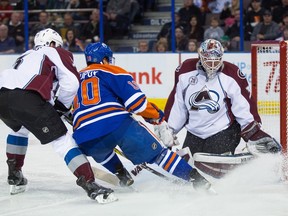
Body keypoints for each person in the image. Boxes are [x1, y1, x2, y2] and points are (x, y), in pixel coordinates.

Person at [71, 42, 213, 192]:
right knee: (159, 155)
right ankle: (197, 179)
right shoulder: (112, 71)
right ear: (105, 60)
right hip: (116, 124)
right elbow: (137, 104)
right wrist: (157, 117)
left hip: (83, 134)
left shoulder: (75, 79)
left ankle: (121, 174)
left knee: (100, 150)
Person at [0, 28, 117, 204]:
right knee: (62, 140)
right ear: (53, 43)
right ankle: (90, 184)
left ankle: (15, 177)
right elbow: (71, 82)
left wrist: (54, 107)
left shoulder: (25, 55)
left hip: (3, 98)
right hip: (26, 98)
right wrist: (62, 106)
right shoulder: (55, 51)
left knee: (20, 129)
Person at [162, 38, 281, 176]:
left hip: (223, 131)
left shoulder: (231, 74)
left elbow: (243, 106)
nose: (212, 64)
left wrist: (254, 133)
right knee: (187, 170)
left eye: (216, 59)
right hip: (194, 133)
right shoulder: (184, 71)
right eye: (208, 59)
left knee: (212, 172)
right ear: (200, 56)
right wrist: (169, 129)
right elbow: (179, 105)